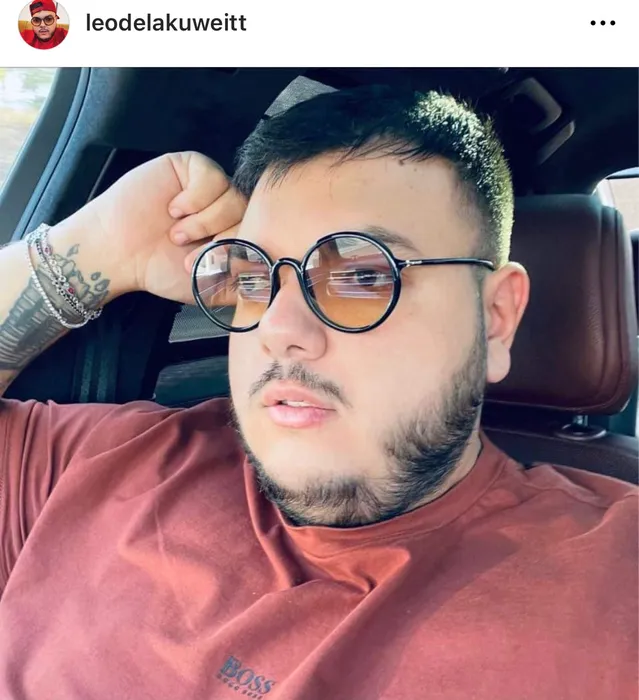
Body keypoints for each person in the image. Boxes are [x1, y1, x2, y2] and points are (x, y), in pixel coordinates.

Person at [0, 85, 636, 699]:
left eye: (361, 276)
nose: (277, 329)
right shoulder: (105, 462)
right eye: (253, 276)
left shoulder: (614, 581)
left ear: (495, 317)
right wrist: (95, 249)